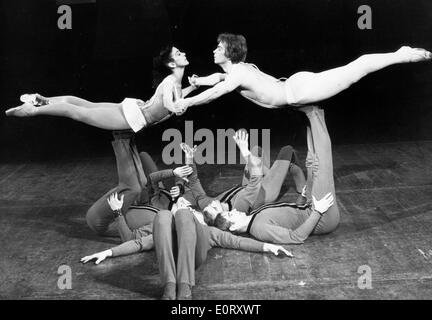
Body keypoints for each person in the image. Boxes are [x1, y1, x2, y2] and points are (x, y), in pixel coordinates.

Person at [174, 33, 431, 112]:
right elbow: (216, 80)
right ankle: (400, 54)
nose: (214, 51)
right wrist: (198, 82)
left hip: (297, 91)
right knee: (353, 70)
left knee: (356, 69)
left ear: (229, 52)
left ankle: (402, 54)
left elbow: (218, 91)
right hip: (294, 84)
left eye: (219, 48)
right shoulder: (237, 71)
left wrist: (187, 101)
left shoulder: (237, 75)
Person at [211, 106, 340, 245]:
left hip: (309, 207)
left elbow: (291, 216)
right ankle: (312, 114)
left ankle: (315, 113)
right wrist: (318, 211)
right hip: (322, 216)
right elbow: (295, 237)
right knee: (321, 163)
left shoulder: (254, 217)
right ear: (234, 226)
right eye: (230, 215)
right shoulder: (259, 228)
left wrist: (302, 198)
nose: (234, 211)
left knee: (312, 161)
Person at [5, 46, 198, 132]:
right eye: (179, 53)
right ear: (172, 64)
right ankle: (34, 110)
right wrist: (175, 109)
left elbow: (176, 99)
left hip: (135, 109)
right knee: (78, 112)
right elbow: (168, 103)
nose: (184, 53)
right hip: (134, 117)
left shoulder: (176, 83)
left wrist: (193, 87)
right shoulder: (170, 82)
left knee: (84, 105)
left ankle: (43, 100)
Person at [179, 130, 309, 224]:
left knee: (257, 150)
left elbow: (194, 182)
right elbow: (255, 180)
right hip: (264, 191)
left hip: (247, 187)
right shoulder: (239, 205)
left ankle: (276, 172)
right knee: (287, 150)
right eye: (214, 207)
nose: (212, 202)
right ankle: (293, 173)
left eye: (209, 206)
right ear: (222, 216)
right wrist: (244, 150)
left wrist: (189, 158)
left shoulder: (208, 205)